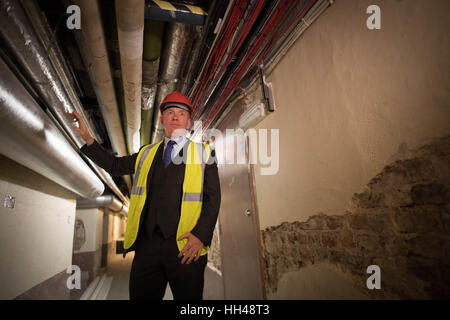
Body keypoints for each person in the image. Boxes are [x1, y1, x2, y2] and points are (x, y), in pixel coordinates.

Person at [71, 92, 221, 300]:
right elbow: (115, 165)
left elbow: (213, 200)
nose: (175, 117)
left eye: (181, 113)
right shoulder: (146, 153)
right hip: (147, 246)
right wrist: (88, 139)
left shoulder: (204, 153)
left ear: (188, 122)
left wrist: (200, 236)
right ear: (162, 119)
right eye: (170, 112)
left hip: (186, 246)